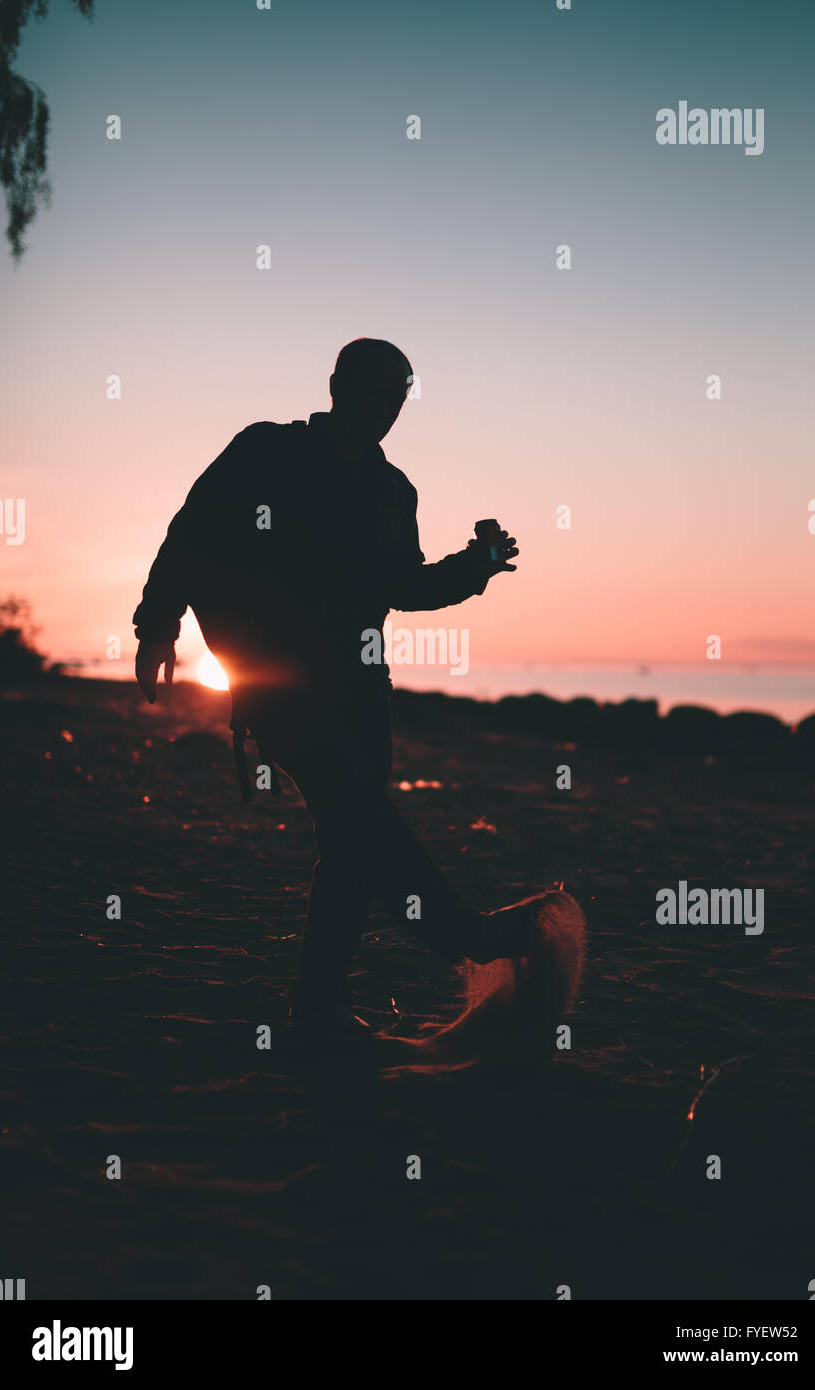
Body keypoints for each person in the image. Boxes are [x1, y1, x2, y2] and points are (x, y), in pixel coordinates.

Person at [133, 338, 547, 1041]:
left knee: (351, 839)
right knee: (355, 814)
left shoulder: (394, 490)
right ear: (335, 384)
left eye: (397, 397)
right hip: (276, 683)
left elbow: (403, 588)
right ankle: (461, 934)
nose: (382, 407)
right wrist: (157, 624)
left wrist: (474, 567)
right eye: (370, 389)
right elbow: (191, 532)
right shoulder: (266, 451)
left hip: (362, 689)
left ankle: (318, 1008)